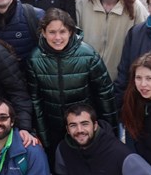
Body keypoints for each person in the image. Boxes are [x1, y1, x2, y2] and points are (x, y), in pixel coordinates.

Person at [26, 8, 117, 153]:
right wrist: (44, 137)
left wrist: (111, 132)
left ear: (70, 32)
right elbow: (36, 102)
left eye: (62, 32)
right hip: (54, 129)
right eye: (52, 32)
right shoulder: (34, 59)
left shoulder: (89, 56)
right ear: (43, 33)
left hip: (83, 129)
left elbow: (104, 95)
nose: (57, 38)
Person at [75, 0, 148, 82]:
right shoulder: (82, 4)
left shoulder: (135, 7)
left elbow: (144, 43)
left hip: (119, 80)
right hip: (87, 78)